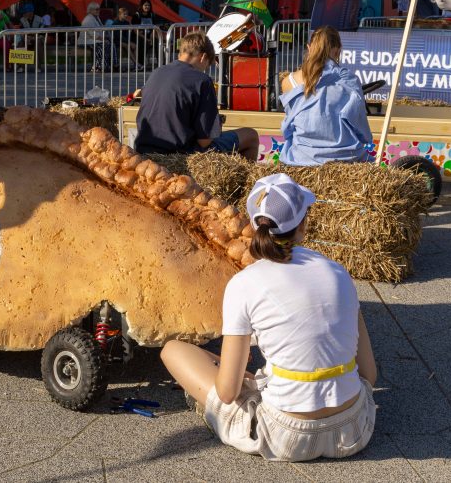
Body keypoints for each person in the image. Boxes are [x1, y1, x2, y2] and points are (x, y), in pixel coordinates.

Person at [161, 173, 377, 462]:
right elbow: (369, 375)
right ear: (303, 225)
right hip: (355, 430)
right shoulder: (339, 272)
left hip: (285, 437)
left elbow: (227, 393)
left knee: (173, 350)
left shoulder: (244, 283)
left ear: (252, 226)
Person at [134, 31, 258, 160]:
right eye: (206, 66)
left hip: (144, 150)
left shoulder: (157, 72)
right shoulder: (202, 80)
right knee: (251, 135)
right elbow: (205, 141)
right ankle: (244, 180)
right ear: (203, 57)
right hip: (181, 153)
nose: (204, 70)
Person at [278, 26, 373, 165]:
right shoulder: (349, 80)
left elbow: (289, 128)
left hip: (301, 158)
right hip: (345, 159)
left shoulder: (288, 81)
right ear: (338, 51)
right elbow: (361, 129)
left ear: (309, 48)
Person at [78, 1, 116, 72]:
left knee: (111, 44)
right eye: (96, 9)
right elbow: (92, 34)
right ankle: (98, 66)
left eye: (99, 9)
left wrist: (107, 37)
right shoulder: (88, 19)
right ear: (91, 10)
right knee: (102, 45)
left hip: (95, 40)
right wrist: (103, 39)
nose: (98, 11)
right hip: (86, 41)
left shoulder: (96, 18)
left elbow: (101, 30)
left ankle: (112, 64)